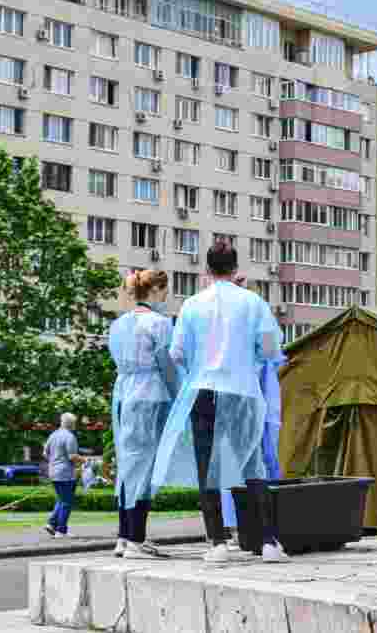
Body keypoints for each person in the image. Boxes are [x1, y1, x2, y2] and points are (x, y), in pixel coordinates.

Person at [151, 240, 287, 563]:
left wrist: (202, 362)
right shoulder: (254, 303)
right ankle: (268, 542)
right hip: (242, 390)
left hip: (204, 390)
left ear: (206, 270)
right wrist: (248, 357)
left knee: (206, 466)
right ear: (235, 268)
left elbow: (177, 353)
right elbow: (269, 349)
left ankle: (217, 543)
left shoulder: (192, 305)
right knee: (253, 464)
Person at [109, 270, 177, 560]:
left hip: (123, 392)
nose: (166, 298)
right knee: (145, 466)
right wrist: (180, 397)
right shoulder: (160, 324)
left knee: (127, 465)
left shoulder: (118, 324)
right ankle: (135, 538)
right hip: (149, 394)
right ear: (156, 290)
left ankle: (125, 537)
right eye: (165, 291)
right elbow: (168, 365)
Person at [220, 274, 287, 546]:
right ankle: (263, 528)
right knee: (259, 462)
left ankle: (236, 528)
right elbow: (272, 352)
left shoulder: (222, 327)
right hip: (255, 401)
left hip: (232, 400)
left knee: (233, 463)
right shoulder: (253, 319)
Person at [42, 413, 82, 538]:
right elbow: (72, 456)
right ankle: (61, 530)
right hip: (65, 473)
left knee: (61, 499)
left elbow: (45, 453)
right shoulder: (70, 436)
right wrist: (86, 461)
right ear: (72, 424)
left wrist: (54, 461)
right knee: (67, 502)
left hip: (53, 471)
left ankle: (51, 523)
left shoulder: (53, 435)